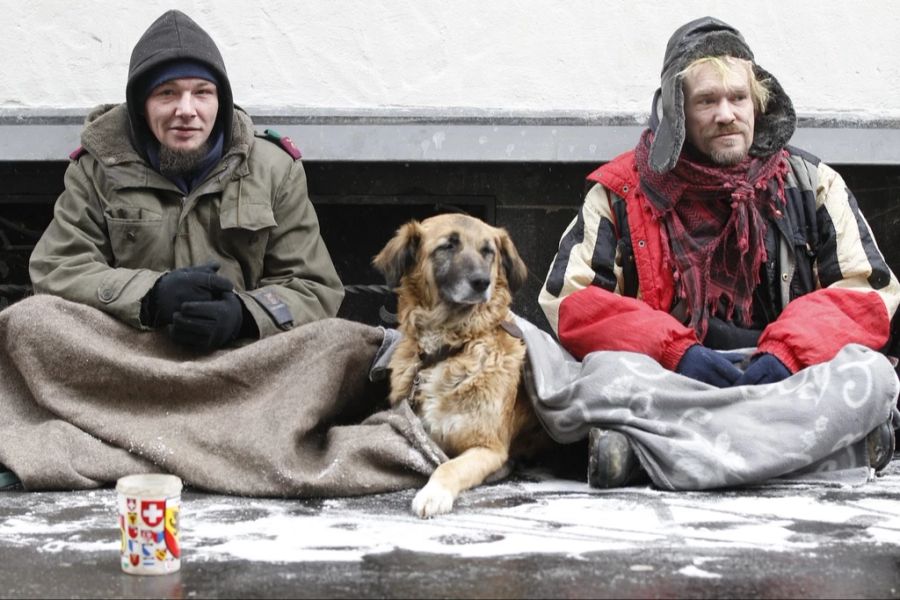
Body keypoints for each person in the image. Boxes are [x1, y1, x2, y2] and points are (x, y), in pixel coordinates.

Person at [539, 17, 900, 487]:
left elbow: (868, 293)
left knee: (870, 375)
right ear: (677, 112)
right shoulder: (622, 191)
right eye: (707, 100)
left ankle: (646, 455)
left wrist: (787, 353)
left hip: (784, 380)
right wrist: (673, 351)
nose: (727, 113)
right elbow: (570, 300)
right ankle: (825, 452)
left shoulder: (813, 184)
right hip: (673, 381)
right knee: (587, 371)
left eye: (738, 98)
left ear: (758, 104)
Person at [29, 9, 343, 350]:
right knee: (25, 323)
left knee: (346, 343)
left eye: (202, 92)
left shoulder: (274, 169)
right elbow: (56, 270)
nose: (186, 109)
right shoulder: (98, 169)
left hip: (245, 358)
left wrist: (243, 315)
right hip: (130, 356)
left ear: (220, 102)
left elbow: (315, 288)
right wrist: (151, 296)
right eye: (167, 93)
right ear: (140, 106)